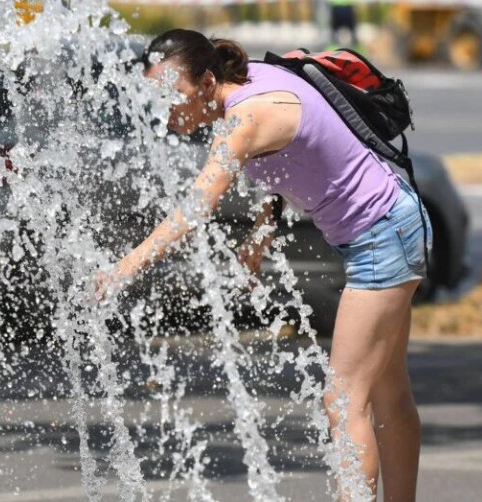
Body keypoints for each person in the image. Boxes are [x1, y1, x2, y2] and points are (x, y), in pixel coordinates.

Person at [94, 28, 430, 501]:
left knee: (343, 400)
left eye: (174, 94)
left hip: (382, 240)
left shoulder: (242, 120)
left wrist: (122, 268)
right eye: (155, 95)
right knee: (387, 393)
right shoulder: (252, 79)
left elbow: (194, 210)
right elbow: (294, 148)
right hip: (392, 224)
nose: (165, 109)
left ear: (208, 81)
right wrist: (260, 234)